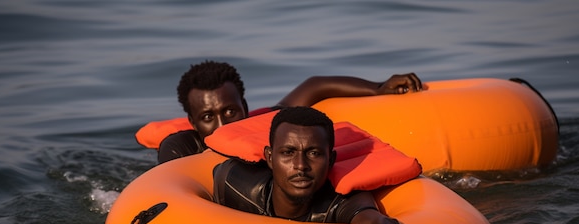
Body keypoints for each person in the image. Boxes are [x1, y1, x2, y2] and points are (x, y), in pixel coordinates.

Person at [212, 106, 416, 224]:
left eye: (314, 153)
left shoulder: (338, 202)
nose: (301, 165)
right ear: (270, 158)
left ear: (331, 160)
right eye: (288, 152)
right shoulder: (235, 184)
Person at [157, 60, 422, 163]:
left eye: (230, 111)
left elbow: (315, 85)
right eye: (207, 117)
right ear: (192, 122)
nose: (222, 124)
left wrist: (379, 88)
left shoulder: (266, 124)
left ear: (245, 108)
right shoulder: (179, 150)